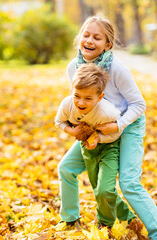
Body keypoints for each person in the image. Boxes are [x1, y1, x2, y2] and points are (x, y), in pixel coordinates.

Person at [57, 16, 157, 240]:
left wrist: (117, 125)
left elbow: (139, 104)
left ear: (108, 44)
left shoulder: (117, 69)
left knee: (128, 183)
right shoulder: (74, 67)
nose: (90, 40)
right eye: (86, 35)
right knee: (66, 169)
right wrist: (77, 128)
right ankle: (70, 219)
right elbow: (80, 102)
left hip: (127, 125)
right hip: (98, 129)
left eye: (97, 37)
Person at [55, 63, 136, 228]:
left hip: (109, 147)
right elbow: (59, 122)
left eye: (88, 98)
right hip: (86, 147)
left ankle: (106, 223)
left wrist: (99, 137)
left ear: (100, 97)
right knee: (66, 168)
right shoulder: (68, 104)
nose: (81, 102)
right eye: (77, 95)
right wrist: (72, 131)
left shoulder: (107, 112)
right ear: (72, 90)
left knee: (104, 190)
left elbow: (116, 133)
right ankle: (70, 218)